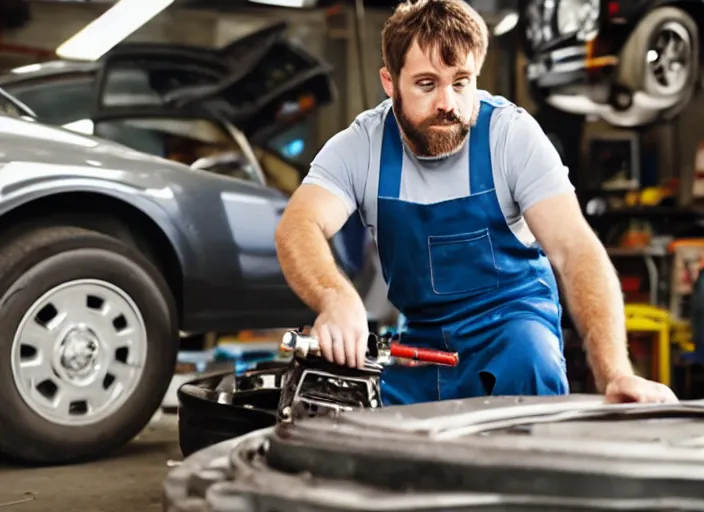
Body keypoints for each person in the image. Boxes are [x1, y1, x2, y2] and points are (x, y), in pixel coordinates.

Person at [274, 0, 678, 405]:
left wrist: (615, 373)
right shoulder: (363, 146)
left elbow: (576, 251)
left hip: (514, 334)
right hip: (422, 349)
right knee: (340, 409)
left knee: (530, 361)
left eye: (461, 81)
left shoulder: (511, 137)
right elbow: (299, 224)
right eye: (427, 84)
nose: (447, 102)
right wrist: (335, 297)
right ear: (389, 81)